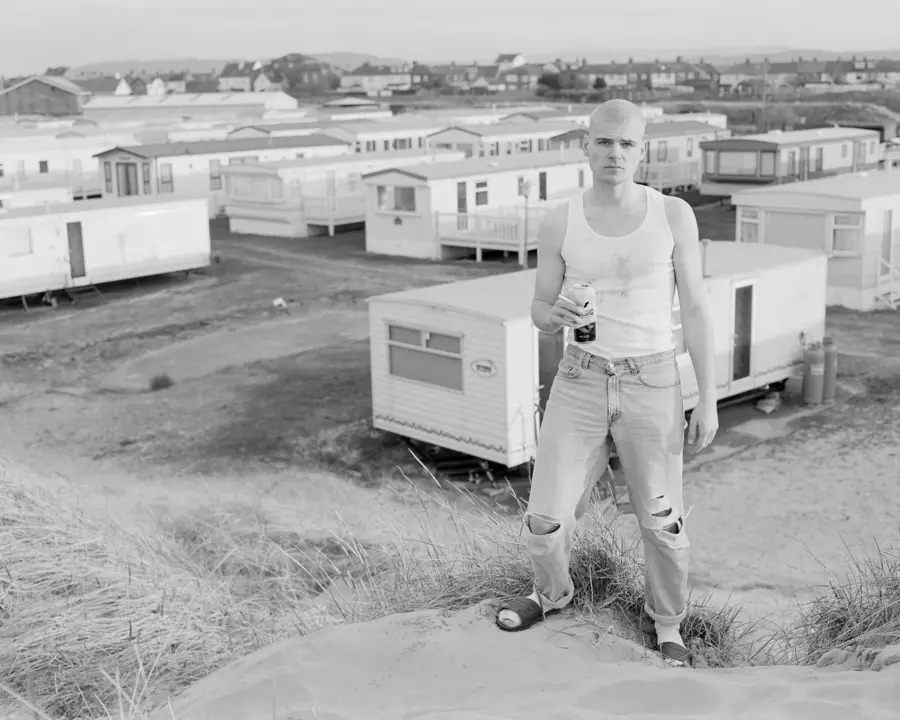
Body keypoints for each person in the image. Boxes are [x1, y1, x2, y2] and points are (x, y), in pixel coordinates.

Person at [495, 99, 719, 667]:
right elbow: (539, 308)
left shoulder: (673, 215)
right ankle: (550, 595)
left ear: (641, 150)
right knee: (545, 519)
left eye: (626, 144)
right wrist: (554, 316)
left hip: (654, 380)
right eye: (603, 142)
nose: (614, 153)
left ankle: (667, 624)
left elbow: (696, 309)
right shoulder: (560, 219)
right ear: (586, 147)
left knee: (663, 524)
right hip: (581, 378)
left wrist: (708, 398)